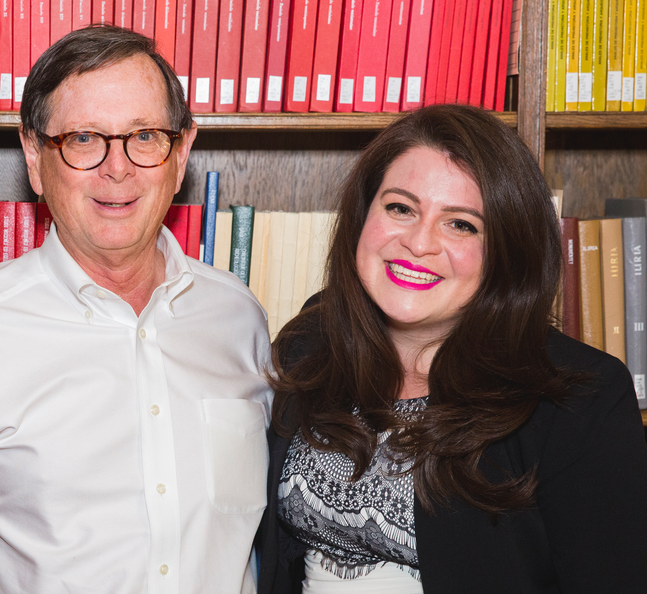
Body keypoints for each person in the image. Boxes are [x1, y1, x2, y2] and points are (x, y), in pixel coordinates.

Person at [0, 25, 271, 594]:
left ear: (180, 152)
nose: (118, 168)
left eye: (144, 135)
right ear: (35, 156)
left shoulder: (240, 322)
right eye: (85, 138)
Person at [256, 104, 647, 594]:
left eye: (461, 224)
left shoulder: (581, 399)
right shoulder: (311, 339)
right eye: (400, 208)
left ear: (507, 249)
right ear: (363, 216)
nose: (419, 243)